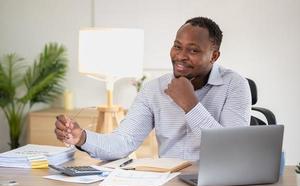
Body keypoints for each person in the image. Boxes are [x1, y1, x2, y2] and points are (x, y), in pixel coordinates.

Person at [54, 17, 251, 161]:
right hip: (168, 184)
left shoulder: (235, 85)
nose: (180, 56)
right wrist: (82, 138)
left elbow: (230, 150)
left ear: (214, 56)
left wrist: (190, 104)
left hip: (217, 184)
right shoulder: (153, 90)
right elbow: (124, 142)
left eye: (193, 50)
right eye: (177, 46)